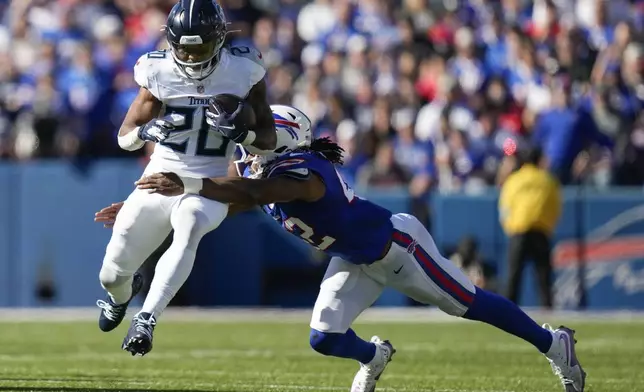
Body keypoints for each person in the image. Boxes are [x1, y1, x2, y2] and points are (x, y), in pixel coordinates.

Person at [97, 106, 586, 392]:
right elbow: (232, 196)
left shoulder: (304, 174)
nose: (247, 145)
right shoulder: (264, 172)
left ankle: (552, 344)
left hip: (398, 247)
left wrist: (185, 183)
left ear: (283, 139)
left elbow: (248, 194)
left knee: (469, 304)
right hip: (354, 258)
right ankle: (374, 355)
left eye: (258, 138)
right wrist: (149, 205)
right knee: (324, 337)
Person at [97, 0, 276, 357]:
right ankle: (123, 293)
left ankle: (147, 318)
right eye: (184, 50)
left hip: (209, 182)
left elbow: (268, 141)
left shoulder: (244, 70)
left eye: (201, 49)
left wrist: (243, 136)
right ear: (172, 42)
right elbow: (124, 137)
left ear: (220, 39)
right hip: (160, 177)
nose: (192, 59)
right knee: (110, 273)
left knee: (190, 223)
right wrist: (148, 130)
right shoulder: (158, 71)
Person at [499, 147, 562, 309]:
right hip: (540, 231)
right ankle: (548, 311)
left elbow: (505, 207)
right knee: (543, 278)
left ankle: (508, 312)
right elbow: (555, 207)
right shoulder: (547, 179)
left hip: (518, 231)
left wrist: (509, 227)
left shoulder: (514, 179)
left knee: (513, 277)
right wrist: (549, 225)